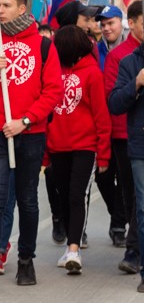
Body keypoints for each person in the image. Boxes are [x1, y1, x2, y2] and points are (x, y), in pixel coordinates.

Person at [0, 0, 63, 292]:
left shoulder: (44, 46)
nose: (0, 10)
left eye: (5, 5)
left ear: (22, 8)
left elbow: (54, 92)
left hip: (30, 132)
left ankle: (25, 260)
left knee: (27, 200)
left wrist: (25, 120)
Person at [46, 25, 111, 275]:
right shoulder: (52, 72)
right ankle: (70, 248)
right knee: (64, 196)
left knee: (76, 195)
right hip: (57, 146)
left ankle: (74, 249)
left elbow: (101, 117)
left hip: (85, 146)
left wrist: (103, 154)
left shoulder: (93, 74)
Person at [104, 0, 143, 275]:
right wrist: (137, 83)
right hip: (129, 137)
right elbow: (114, 100)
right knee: (136, 200)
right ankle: (134, 250)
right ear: (133, 23)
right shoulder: (125, 58)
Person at [94, 6, 129, 248]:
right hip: (104, 126)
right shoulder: (96, 51)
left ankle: (119, 224)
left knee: (127, 180)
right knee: (103, 178)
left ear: (121, 23)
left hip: (127, 125)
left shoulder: (133, 49)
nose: (106, 28)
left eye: (110, 23)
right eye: (103, 24)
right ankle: (120, 214)